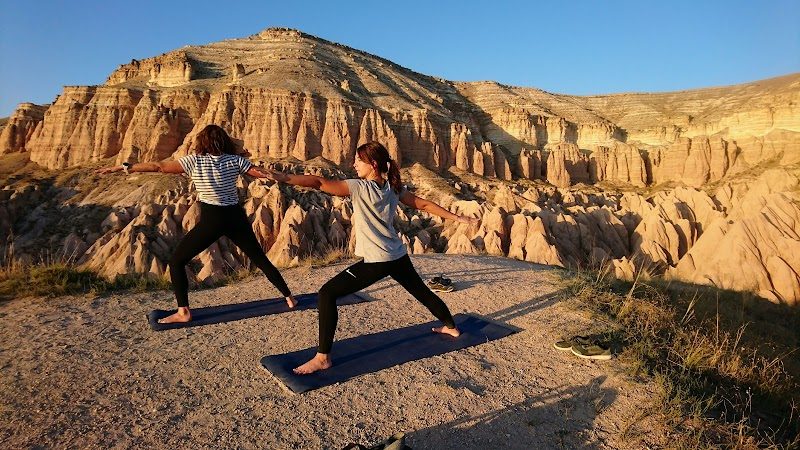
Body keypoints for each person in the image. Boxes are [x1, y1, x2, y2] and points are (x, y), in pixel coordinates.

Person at [265, 141, 479, 374]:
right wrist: (458, 218)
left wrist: (282, 177)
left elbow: (319, 182)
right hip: (397, 255)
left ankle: (322, 357)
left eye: (358, 160)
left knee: (326, 293)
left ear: (373, 164)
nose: (353, 164)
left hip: (378, 260)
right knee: (422, 292)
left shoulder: (359, 187)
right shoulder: (393, 187)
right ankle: (451, 327)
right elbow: (424, 204)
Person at [96, 124, 296, 324]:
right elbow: (262, 173)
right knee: (260, 259)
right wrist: (284, 176)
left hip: (213, 219)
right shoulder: (236, 161)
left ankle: (183, 312)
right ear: (224, 142)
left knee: (177, 261)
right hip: (236, 217)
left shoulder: (194, 161)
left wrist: (123, 167)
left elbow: (159, 167)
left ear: (202, 143)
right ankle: (289, 298)